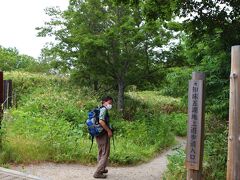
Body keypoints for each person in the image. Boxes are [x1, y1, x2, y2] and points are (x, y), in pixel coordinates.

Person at [93, 96, 113, 179]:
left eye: (111, 103)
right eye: (109, 103)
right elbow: (101, 121)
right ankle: (98, 172)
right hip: (103, 133)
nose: (110, 105)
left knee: (101, 151)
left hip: (98, 133)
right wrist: (109, 131)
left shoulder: (99, 108)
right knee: (105, 153)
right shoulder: (104, 109)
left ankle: (102, 168)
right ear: (104, 102)